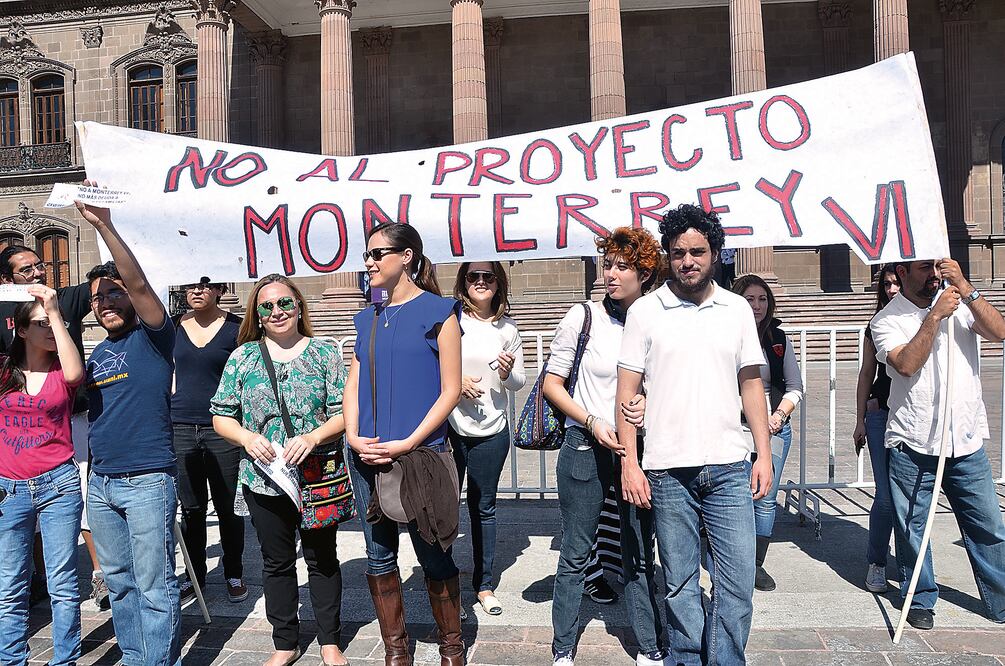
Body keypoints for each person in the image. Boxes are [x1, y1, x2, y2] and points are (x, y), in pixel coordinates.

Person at [616, 204, 773, 665]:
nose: (688, 261)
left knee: (738, 581)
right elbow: (627, 393)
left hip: (728, 464)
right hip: (666, 469)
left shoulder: (737, 308)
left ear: (716, 254)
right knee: (681, 582)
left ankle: (726, 659)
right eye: (679, 252)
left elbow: (751, 384)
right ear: (667, 255)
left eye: (698, 252)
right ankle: (685, 657)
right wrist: (630, 461)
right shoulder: (645, 312)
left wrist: (762, 454)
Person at [212, 274, 353, 666]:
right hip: (264, 479)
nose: (277, 312)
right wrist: (245, 438)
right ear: (257, 314)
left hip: (317, 477)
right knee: (276, 563)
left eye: (285, 303)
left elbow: (345, 412)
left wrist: (313, 436)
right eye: (267, 306)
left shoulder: (324, 353)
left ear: (299, 307)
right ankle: (285, 642)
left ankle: (329, 641)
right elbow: (221, 415)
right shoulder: (243, 357)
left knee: (322, 559)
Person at [343, 222, 464, 666]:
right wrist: (354, 436)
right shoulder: (366, 317)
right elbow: (353, 384)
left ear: (407, 256)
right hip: (367, 454)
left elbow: (450, 389)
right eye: (367, 255)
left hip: (421, 454)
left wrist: (409, 442)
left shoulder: (440, 311)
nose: (370, 263)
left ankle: (452, 645)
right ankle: (397, 649)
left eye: (378, 254)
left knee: (433, 554)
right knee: (378, 557)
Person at [546, 227, 667, 666]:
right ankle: (562, 648)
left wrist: (649, 400)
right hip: (586, 444)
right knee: (576, 550)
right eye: (608, 264)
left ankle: (650, 646)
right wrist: (593, 421)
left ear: (645, 273)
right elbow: (552, 385)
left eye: (623, 266)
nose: (611, 274)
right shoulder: (584, 317)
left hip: (641, 449)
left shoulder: (659, 319)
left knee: (638, 550)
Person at [75, 186, 182, 665]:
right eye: (97, 299)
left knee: (155, 584)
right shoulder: (98, 353)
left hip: (146, 479)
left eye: (113, 292)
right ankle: (138, 657)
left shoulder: (155, 335)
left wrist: (104, 225)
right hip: (101, 483)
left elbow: (139, 288)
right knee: (118, 584)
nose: (105, 303)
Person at [871, 258, 1005, 630]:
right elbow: (907, 365)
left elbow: (999, 331)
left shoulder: (959, 302)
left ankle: (1000, 599)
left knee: (988, 526)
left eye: (937, 266)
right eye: (924, 268)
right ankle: (919, 597)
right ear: (901, 273)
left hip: (964, 440)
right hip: (913, 442)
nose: (934, 274)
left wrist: (965, 286)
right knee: (913, 528)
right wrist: (933, 318)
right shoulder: (886, 319)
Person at [0, 245, 107, 611]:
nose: (36, 274)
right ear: (7, 279)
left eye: (38, 265)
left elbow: (101, 278)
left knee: (78, 495)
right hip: (20, 423)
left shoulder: (62, 299)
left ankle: (99, 574)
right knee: (23, 503)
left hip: (70, 418)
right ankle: (36, 574)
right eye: (25, 270)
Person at [0, 286, 85, 666]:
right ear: (20, 330)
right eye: (41, 324)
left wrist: (54, 310)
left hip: (58, 485)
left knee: (63, 584)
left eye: (54, 322)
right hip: (8, 489)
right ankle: (11, 659)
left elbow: (75, 372)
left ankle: (64, 660)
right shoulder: (3, 371)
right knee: (9, 587)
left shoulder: (60, 369)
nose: (50, 328)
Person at [448, 261, 526, 615]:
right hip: (450, 428)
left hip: (492, 431)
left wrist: (509, 373)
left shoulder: (507, 328)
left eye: (488, 277)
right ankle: (446, 586)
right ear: (464, 282)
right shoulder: (452, 320)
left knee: (484, 508)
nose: (480, 282)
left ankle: (483, 584)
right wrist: (456, 382)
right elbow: (434, 365)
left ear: (498, 283)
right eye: (473, 277)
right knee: (444, 510)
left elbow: (519, 381)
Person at [172, 277, 246, 604]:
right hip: (181, 426)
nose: (197, 291)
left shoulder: (238, 329)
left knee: (229, 507)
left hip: (224, 429)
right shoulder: (171, 326)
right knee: (191, 509)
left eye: (205, 284)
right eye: (190, 285)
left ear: (219, 290)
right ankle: (195, 574)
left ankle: (233, 571)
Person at [732, 274, 804, 591]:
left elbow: (795, 386)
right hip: (735, 429)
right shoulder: (726, 335)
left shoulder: (779, 338)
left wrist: (778, 414)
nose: (757, 305)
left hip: (775, 431)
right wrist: (749, 411)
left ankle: (755, 565)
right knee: (734, 497)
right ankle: (732, 559)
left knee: (765, 498)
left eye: (762, 299)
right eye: (750, 299)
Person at [852, 265, 914, 594]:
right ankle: (876, 562)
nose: (892, 289)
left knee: (912, 500)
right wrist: (860, 418)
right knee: (887, 497)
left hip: (914, 416)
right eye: (887, 283)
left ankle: (911, 569)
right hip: (881, 414)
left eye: (896, 282)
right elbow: (866, 373)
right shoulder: (876, 325)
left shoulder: (922, 319)